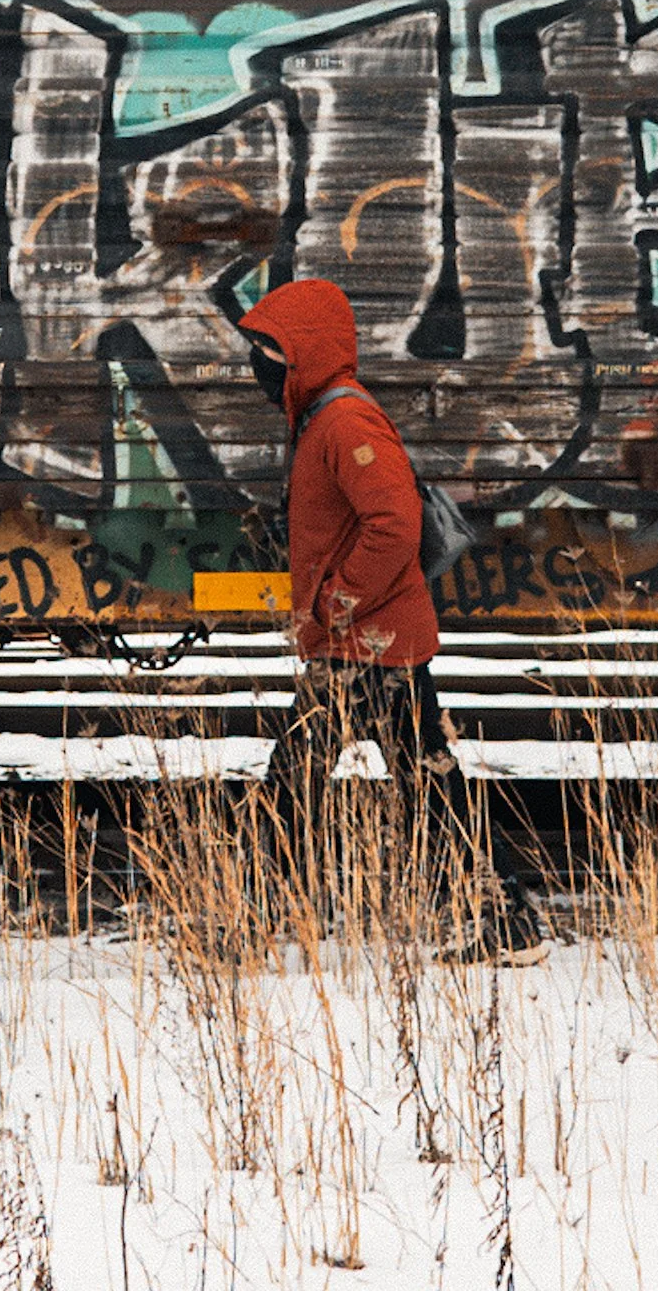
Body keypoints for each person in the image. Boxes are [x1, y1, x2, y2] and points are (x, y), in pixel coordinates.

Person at [238, 276, 540, 955]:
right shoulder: (322, 419)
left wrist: (337, 603)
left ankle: (250, 920)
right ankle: (508, 920)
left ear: (307, 352)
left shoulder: (345, 422)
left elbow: (394, 524)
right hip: (374, 641)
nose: (260, 364)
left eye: (271, 350)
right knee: (427, 782)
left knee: (296, 781)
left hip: (366, 643)